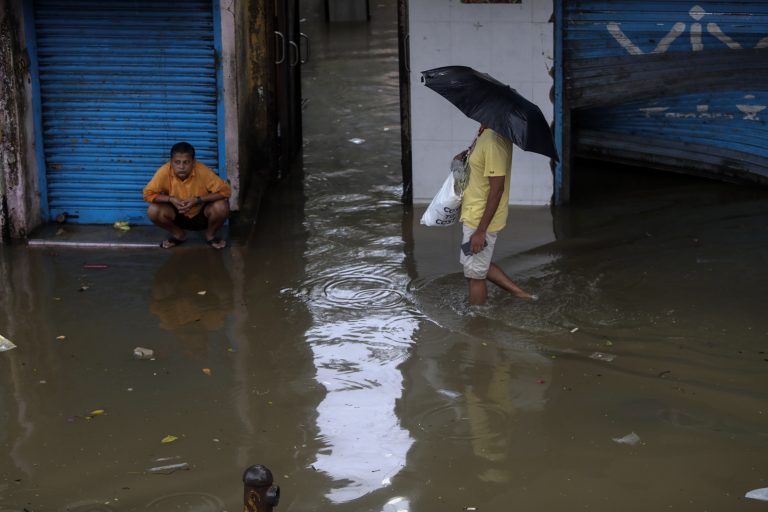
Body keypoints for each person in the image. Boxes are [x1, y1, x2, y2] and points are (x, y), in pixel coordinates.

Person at [459, 125, 534, 305]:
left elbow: (497, 189)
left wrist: (481, 231)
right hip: (472, 214)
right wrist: (463, 158)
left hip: (481, 219)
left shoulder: (494, 141)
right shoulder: (484, 134)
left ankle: (477, 322)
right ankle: (522, 294)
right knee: (474, 266)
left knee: (475, 276)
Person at [143, 142, 231, 249]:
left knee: (221, 206)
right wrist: (171, 199)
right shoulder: (164, 171)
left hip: (201, 215)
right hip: (177, 214)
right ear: (171, 162)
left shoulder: (203, 171)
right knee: (153, 210)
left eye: (186, 162)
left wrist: (198, 200)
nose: (181, 167)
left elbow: (226, 191)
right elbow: (147, 194)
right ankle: (179, 235)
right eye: (177, 162)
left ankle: (210, 235)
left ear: (193, 162)